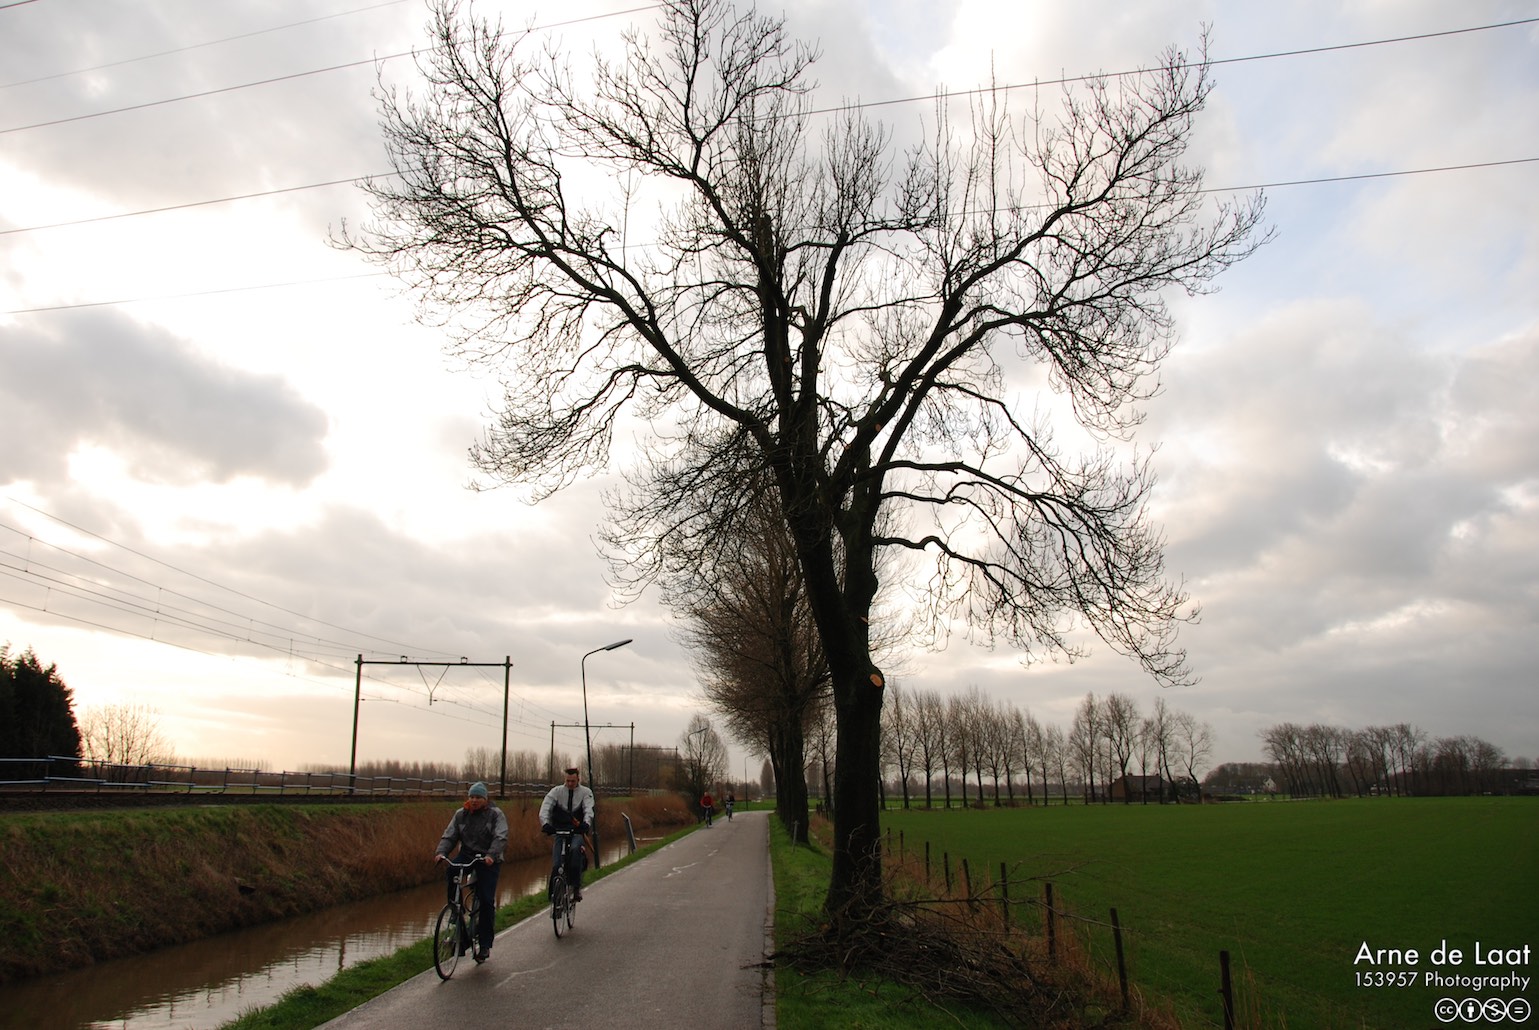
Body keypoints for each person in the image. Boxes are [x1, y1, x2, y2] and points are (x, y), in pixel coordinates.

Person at [434, 781, 508, 963]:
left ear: (485, 799)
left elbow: (500, 837)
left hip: (488, 858)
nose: (474, 800)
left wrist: (491, 855)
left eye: (478, 797)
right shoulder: (461, 814)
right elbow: (450, 835)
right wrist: (441, 852)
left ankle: (484, 945)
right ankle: (455, 908)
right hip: (467, 854)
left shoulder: (495, 814)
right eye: (472, 797)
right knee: (452, 870)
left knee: (486, 900)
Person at [540, 766, 595, 901]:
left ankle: (576, 888)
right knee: (557, 864)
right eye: (567, 781)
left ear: (578, 779)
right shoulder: (556, 792)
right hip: (559, 831)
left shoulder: (585, 792)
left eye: (573, 781)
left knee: (575, 851)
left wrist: (586, 823)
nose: (570, 784)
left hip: (577, 831)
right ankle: (553, 896)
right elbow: (545, 807)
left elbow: (588, 809)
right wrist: (545, 824)